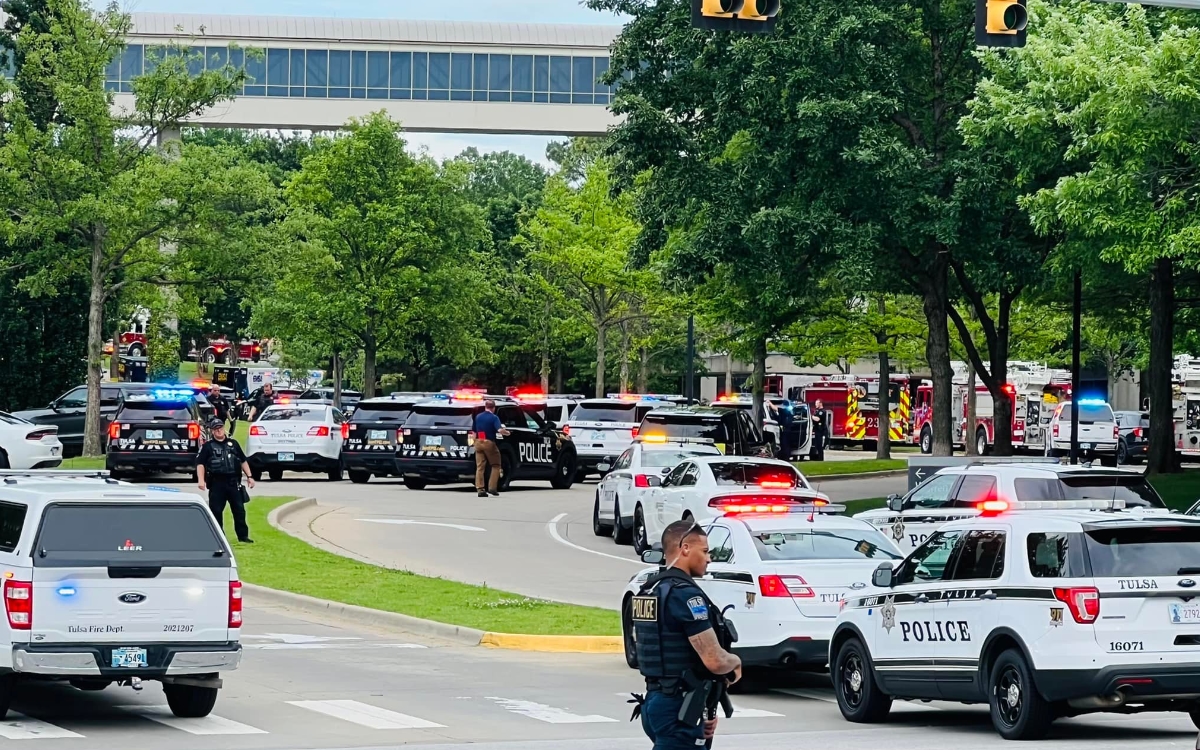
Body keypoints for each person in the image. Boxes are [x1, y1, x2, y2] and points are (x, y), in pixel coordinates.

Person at [631, 521, 742, 749]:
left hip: (659, 702)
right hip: (677, 709)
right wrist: (736, 661)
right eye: (705, 551)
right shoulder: (685, 595)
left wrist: (703, 712)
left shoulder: (649, 591)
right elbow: (714, 660)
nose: (709, 558)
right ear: (685, 548)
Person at [197, 417, 256, 543]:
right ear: (212, 431)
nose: (219, 431)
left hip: (233, 482)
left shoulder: (233, 444)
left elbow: (243, 461)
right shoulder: (208, 447)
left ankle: (243, 536)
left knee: (239, 510)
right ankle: (219, 537)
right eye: (216, 429)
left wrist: (250, 477)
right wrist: (201, 480)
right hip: (217, 484)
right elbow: (200, 464)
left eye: (221, 428)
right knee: (216, 511)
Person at [473, 399, 510, 498]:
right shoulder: (494, 418)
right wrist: (507, 432)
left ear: (485, 406)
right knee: (496, 465)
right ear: (493, 408)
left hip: (478, 441)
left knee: (480, 467)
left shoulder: (478, 416)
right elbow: (499, 430)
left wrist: (473, 442)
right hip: (489, 442)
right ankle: (492, 488)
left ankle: (480, 489)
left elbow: (474, 432)